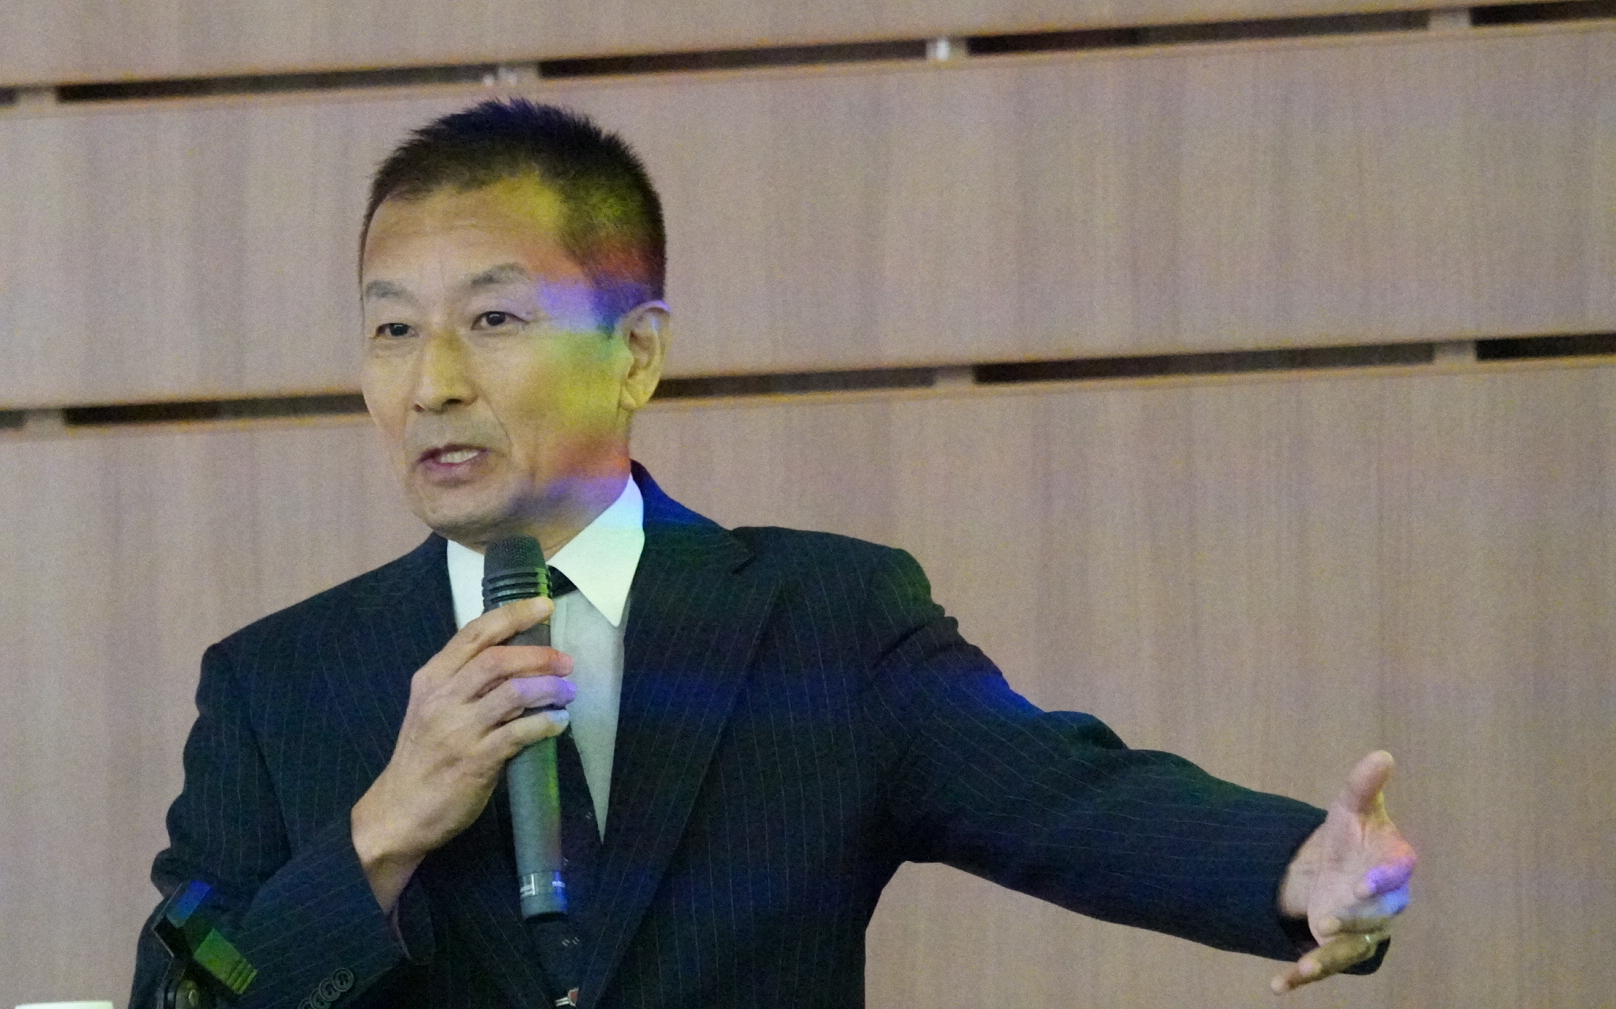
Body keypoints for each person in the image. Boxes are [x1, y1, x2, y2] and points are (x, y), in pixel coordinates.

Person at [131, 99, 1415, 1009]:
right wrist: (380, 832)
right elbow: (182, 996)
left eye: (495, 319)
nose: (432, 384)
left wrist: (1290, 870)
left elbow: (1068, 799)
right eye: (392, 331)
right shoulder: (276, 683)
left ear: (635, 353)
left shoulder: (820, 621)